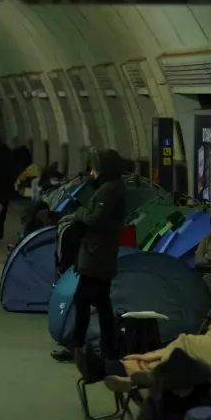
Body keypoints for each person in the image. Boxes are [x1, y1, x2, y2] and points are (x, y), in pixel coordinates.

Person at [63, 148, 127, 360]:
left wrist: (79, 213)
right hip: (101, 254)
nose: (92, 173)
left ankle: (77, 347)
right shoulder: (114, 188)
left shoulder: (108, 191)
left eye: (95, 168)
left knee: (82, 300)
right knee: (101, 302)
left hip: (96, 254)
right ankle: (108, 348)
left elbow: (96, 219)